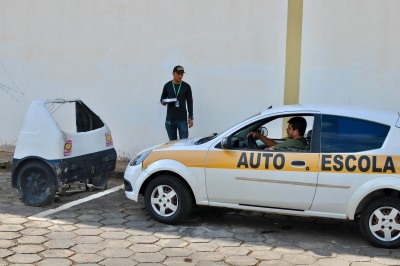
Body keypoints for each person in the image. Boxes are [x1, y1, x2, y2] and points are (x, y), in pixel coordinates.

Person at [160, 65, 194, 140]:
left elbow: (190, 102)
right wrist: (164, 102)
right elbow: (162, 99)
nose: (180, 76)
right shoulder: (167, 85)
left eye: (182, 74)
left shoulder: (186, 86)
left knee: (184, 143)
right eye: (178, 74)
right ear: (173, 74)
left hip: (182, 119)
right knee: (172, 144)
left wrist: (191, 117)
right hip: (170, 119)